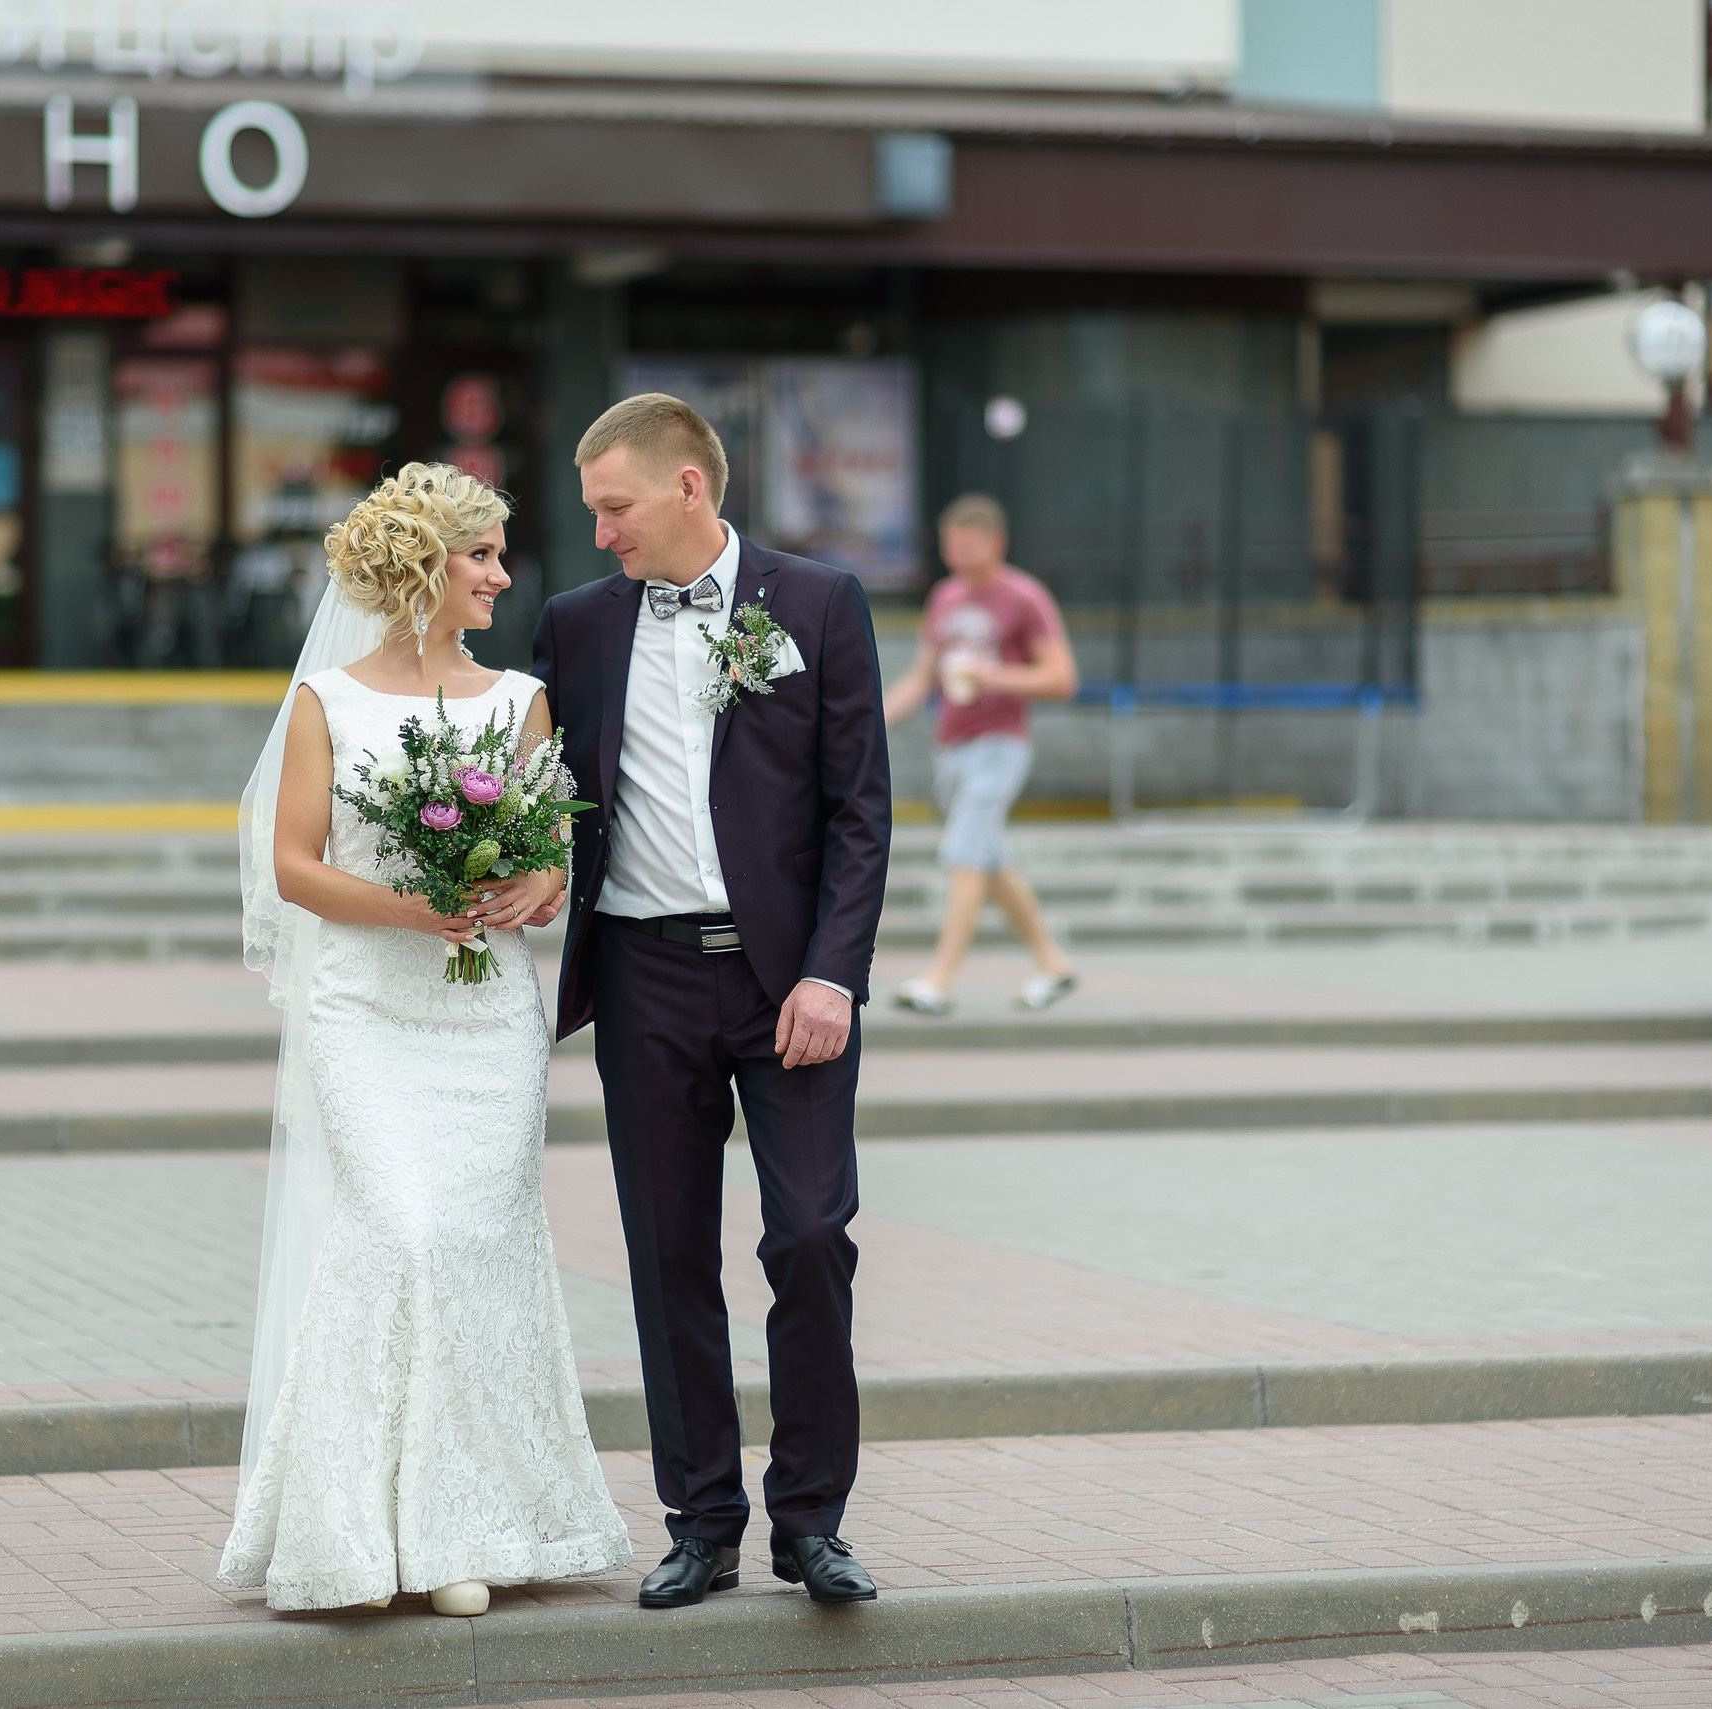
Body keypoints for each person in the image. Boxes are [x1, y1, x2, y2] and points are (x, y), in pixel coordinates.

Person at [221, 463, 632, 1618]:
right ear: (421, 569)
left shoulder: (520, 699)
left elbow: (553, 852)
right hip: (364, 1007)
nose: (505, 575)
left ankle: (470, 1523)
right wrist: (410, 907)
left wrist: (536, 882)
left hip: (485, 1013)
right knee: (397, 1230)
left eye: (501, 554)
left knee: (473, 1238)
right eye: (483, 555)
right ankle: (349, 1524)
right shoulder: (328, 705)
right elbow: (295, 863)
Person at [528, 394, 894, 1610]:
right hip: (642, 977)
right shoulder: (576, 627)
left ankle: (812, 1520)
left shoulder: (820, 603)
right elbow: (542, 793)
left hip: (787, 979)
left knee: (808, 1234)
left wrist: (832, 970)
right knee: (667, 1251)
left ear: (690, 488)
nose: (600, 534)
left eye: (614, 507)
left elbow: (859, 808)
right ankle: (702, 1521)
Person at [881, 493, 1080, 1016]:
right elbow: (923, 676)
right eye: (952, 547)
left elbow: (1061, 677)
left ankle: (939, 978)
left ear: (996, 543)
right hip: (953, 745)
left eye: (969, 546)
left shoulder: (1024, 597)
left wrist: (991, 675)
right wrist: (870, 724)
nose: (959, 556)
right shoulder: (944, 598)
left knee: (965, 849)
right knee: (987, 858)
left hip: (1001, 742)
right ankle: (1052, 962)